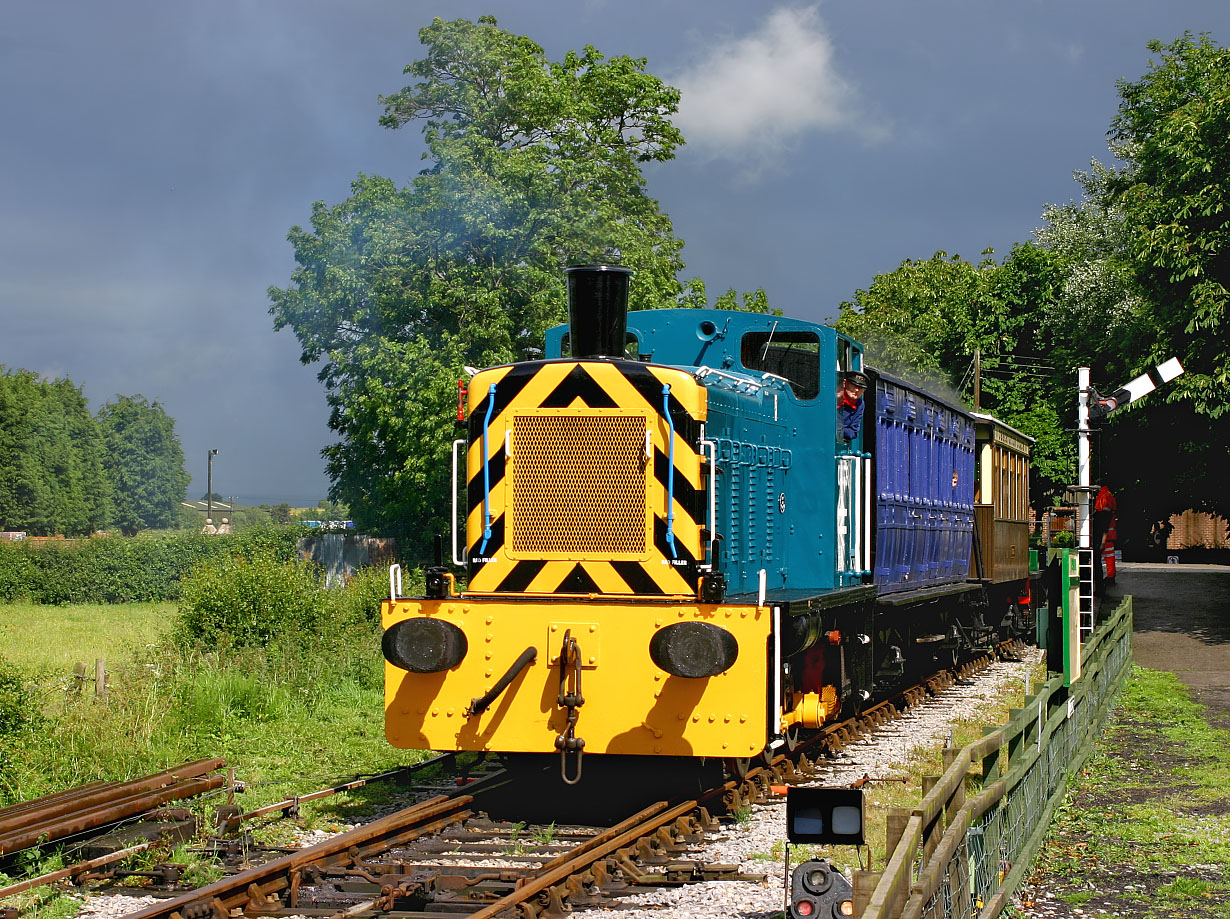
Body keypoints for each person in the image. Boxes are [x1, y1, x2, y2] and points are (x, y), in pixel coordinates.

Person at [1092, 485, 1116, 596]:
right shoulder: (1110, 512)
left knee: (1098, 563)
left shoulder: (1102, 513)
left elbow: (1104, 528)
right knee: (1109, 560)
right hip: (1109, 539)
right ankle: (1110, 578)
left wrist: (1102, 543)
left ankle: (1101, 586)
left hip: (1103, 540)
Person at [838, 370, 869, 442]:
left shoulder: (860, 404)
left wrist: (838, 428)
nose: (857, 390)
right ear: (844, 383)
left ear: (864, 391)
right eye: (854, 385)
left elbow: (853, 432)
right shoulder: (833, 398)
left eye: (860, 388)